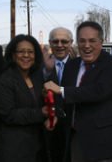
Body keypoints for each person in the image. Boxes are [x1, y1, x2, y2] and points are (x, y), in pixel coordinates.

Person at [44, 21, 112, 162]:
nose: (86, 45)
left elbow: (97, 92)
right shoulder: (72, 65)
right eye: (82, 41)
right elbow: (63, 100)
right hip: (76, 141)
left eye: (92, 41)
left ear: (101, 42)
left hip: (104, 145)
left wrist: (61, 90)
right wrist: (54, 115)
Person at [0, 34, 56, 162]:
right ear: (13, 55)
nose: (26, 55)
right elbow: (8, 114)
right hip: (14, 149)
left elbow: (41, 103)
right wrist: (41, 113)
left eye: (30, 52)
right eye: (21, 51)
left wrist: (50, 112)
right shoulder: (5, 81)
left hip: (37, 146)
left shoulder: (37, 77)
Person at [43, 27, 75, 162]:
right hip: (47, 129)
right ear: (50, 43)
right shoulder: (41, 67)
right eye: (55, 42)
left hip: (72, 131)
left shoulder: (79, 66)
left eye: (64, 41)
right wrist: (47, 72)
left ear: (71, 42)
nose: (60, 45)